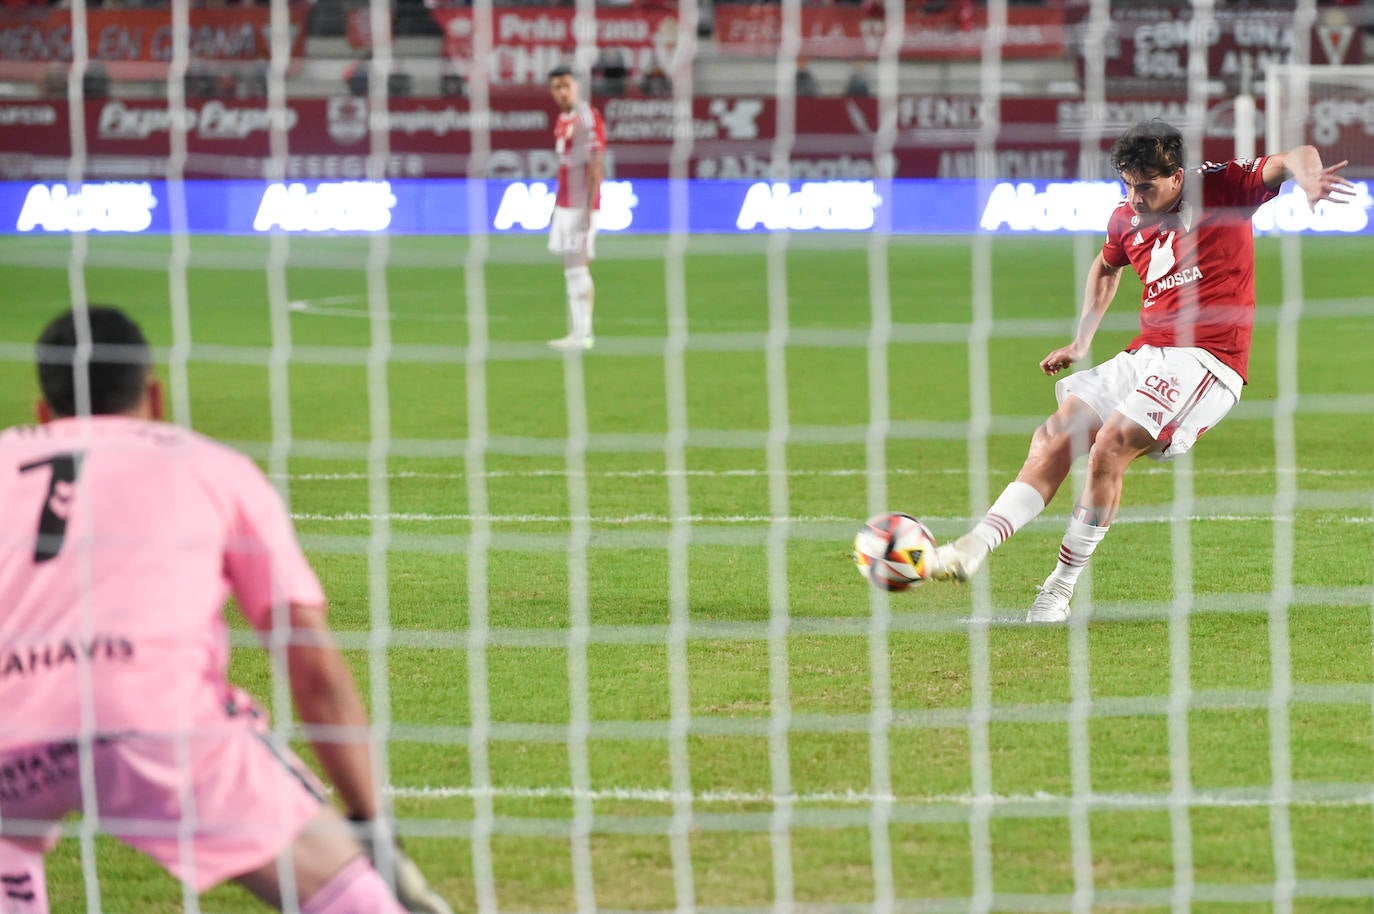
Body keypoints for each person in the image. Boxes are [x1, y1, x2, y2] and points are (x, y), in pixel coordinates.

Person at [0, 306, 453, 914]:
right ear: (154, 396)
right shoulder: (214, 467)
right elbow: (312, 667)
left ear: (43, 410)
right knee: (358, 901)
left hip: (11, 731)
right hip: (156, 721)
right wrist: (371, 824)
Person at [929, 119, 1355, 622]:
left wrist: (1307, 177)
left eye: (1145, 186)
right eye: (1127, 184)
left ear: (1176, 176)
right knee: (1055, 433)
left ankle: (1057, 589)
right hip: (1148, 354)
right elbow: (1106, 267)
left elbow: (1294, 155)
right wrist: (1082, 339)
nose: (1134, 197)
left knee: (1111, 443)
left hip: (1208, 360)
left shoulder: (1224, 185)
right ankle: (972, 548)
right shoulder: (1124, 219)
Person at [547, 65, 607, 352]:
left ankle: (584, 333)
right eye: (557, 87)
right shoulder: (562, 119)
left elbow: (596, 163)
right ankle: (577, 332)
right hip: (565, 203)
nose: (562, 92)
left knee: (579, 267)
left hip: (581, 204)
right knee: (570, 268)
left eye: (566, 86)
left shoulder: (586, 117)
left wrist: (588, 208)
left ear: (577, 87)